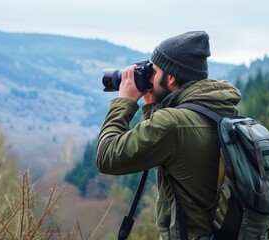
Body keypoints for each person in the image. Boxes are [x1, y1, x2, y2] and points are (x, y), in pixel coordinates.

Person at [96, 31, 241, 239]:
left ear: (171, 77)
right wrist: (152, 108)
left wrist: (125, 101)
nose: (150, 78)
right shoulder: (217, 110)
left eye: (153, 72)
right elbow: (175, 149)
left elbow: (107, 157)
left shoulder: (172, 124)